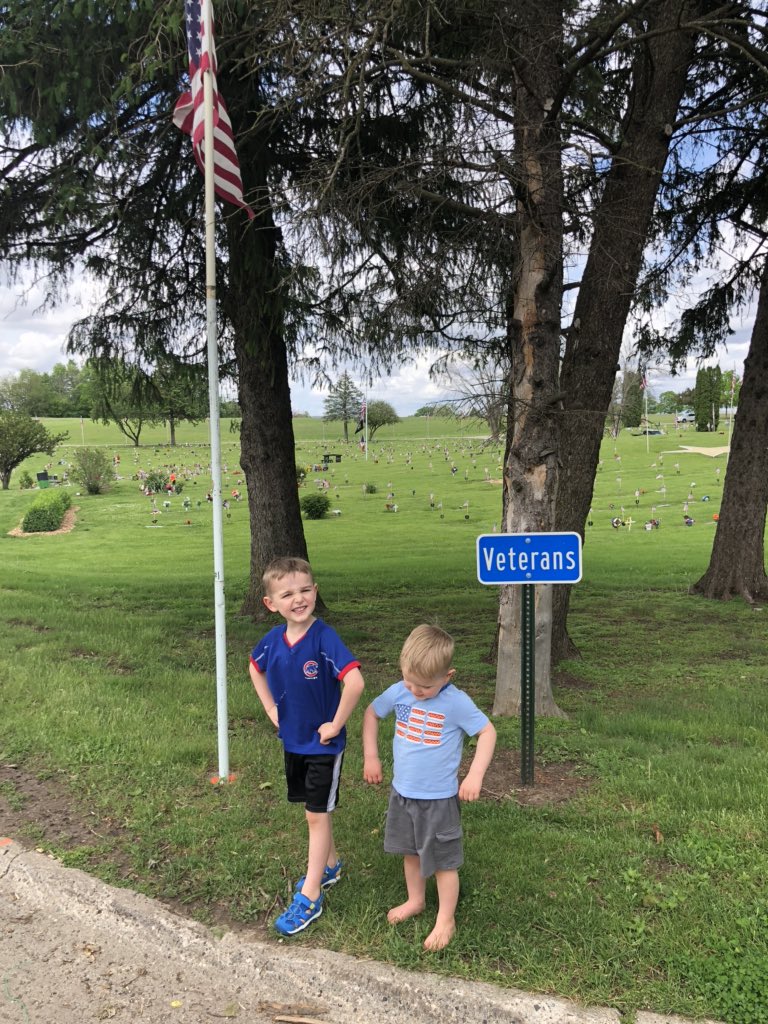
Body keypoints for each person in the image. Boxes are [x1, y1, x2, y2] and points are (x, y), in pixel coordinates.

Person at [249, 556, 365, 936]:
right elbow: (254, 666)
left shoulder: (323, 637)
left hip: (323, 747)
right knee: (312, 812)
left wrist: (336, 723)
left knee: (316, 816)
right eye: (287, 594)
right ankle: (330, 865)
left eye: (304, 590)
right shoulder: (273, 641)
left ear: (315, 591)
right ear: (271, 603)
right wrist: (270, 708)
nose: (298, 599)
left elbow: (355, 683)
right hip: (293, 741)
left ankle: (311, 895)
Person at [362, 624, 496, 951]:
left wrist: (475, 775)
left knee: (442, 862)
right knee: (409, 851)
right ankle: (415, 900)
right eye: (409, 681)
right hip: (403, 793)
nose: (415, 691)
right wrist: (371, 756)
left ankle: (446, 919)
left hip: (438, 800)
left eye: (424, 686)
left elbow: (487, 732)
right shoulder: (400, 691)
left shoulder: (457, 703)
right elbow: (371, 713)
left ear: (447, 676)